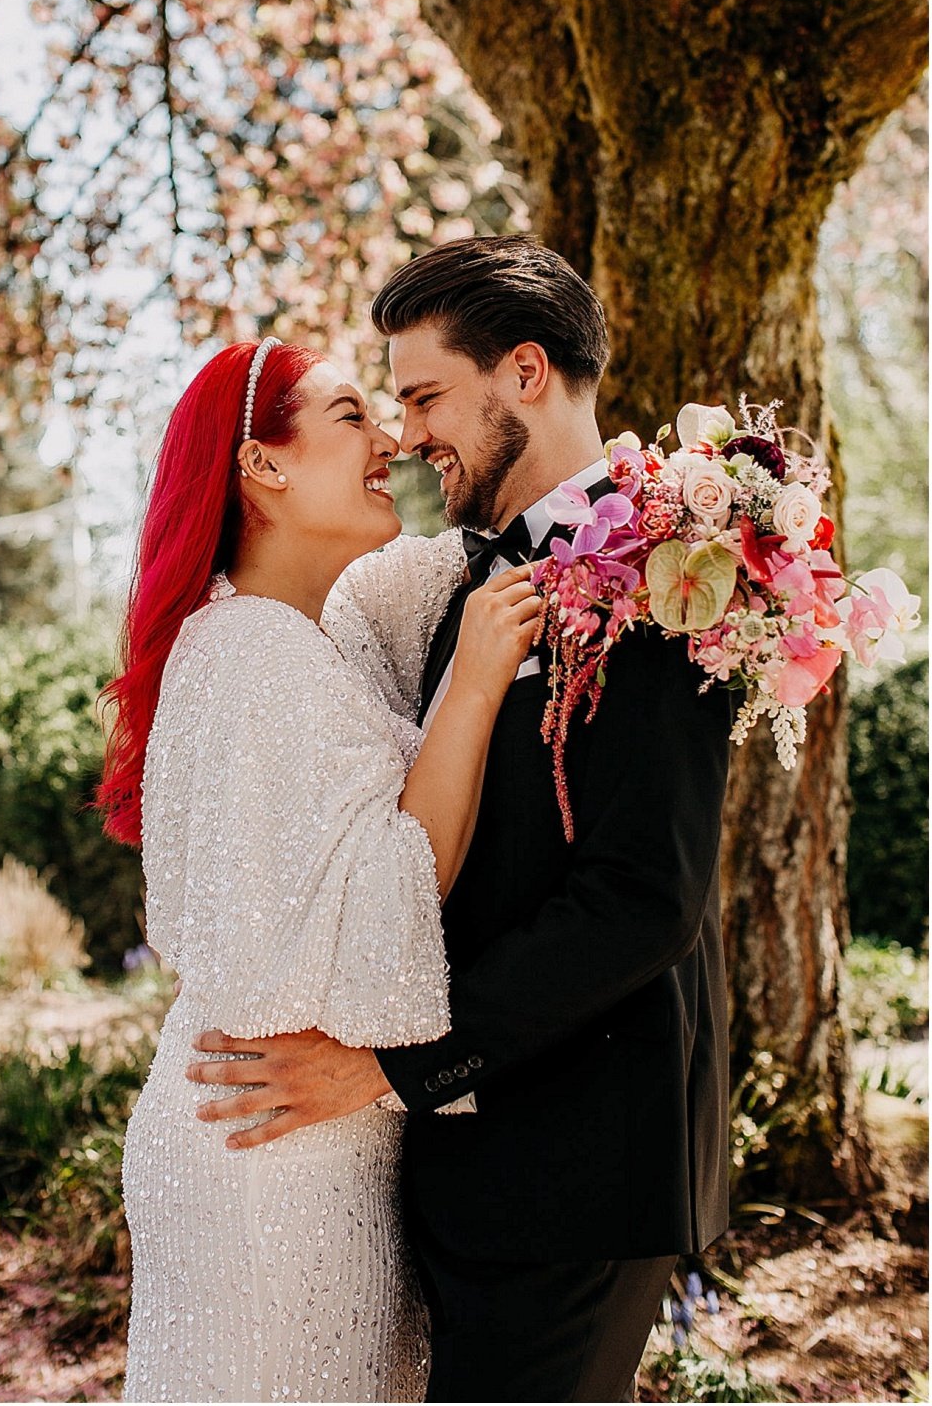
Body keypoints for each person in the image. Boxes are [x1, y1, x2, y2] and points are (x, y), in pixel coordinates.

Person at [188, 235, 736, 1402]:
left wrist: (390, 1067)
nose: (407, 434)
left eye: (425, 395)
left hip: (579, 1168)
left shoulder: (671, 573)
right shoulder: (457, 590)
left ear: (523, 374)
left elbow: (644, 897)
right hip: (460, 1174)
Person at [100, 334, 544, 1400]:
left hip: (285, 1128)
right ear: (263, 465)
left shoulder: (315, 627)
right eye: (353, 416)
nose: (389, 436)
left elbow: (467, 550)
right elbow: (398, 879)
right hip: (269, 1156)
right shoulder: (255, 654)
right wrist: (475, 684)